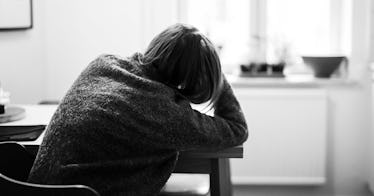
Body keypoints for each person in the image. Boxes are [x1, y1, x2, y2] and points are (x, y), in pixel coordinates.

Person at [28, 23, 248, 196]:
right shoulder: (169, 115)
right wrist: (217, 74)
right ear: (192, 78)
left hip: (29, 189)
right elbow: (237, 128)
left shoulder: (103, 64)